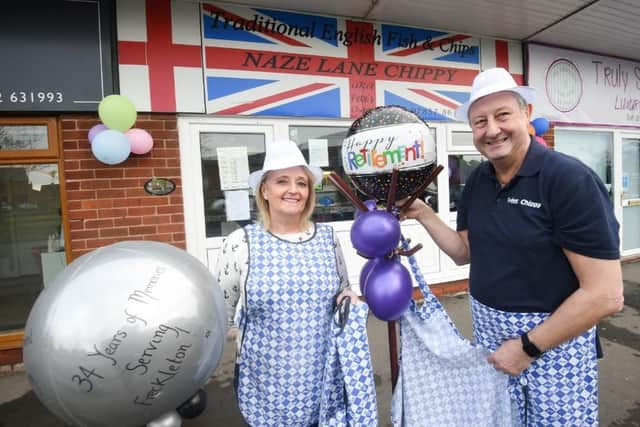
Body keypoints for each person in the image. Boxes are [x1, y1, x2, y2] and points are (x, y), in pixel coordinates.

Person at [401, 67, 624, 425]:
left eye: (502, 115)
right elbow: (464, 253)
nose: (491, 130)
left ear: (527, 114)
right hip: (491, 342)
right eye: (479, 122)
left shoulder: (568, 180)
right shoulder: (478, 180)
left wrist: (527, 348)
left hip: (553, 347)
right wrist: (422, 212)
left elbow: (605, 294)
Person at [215, 139, 360, 426]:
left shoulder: (328, 238)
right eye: (282, 181)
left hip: (324, 379)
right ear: (265, 190)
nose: (294, 190)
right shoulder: (240, 243)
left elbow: (342, 289)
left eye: (301, 183)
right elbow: (220, 312)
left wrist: (349, 298)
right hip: (266, 386)